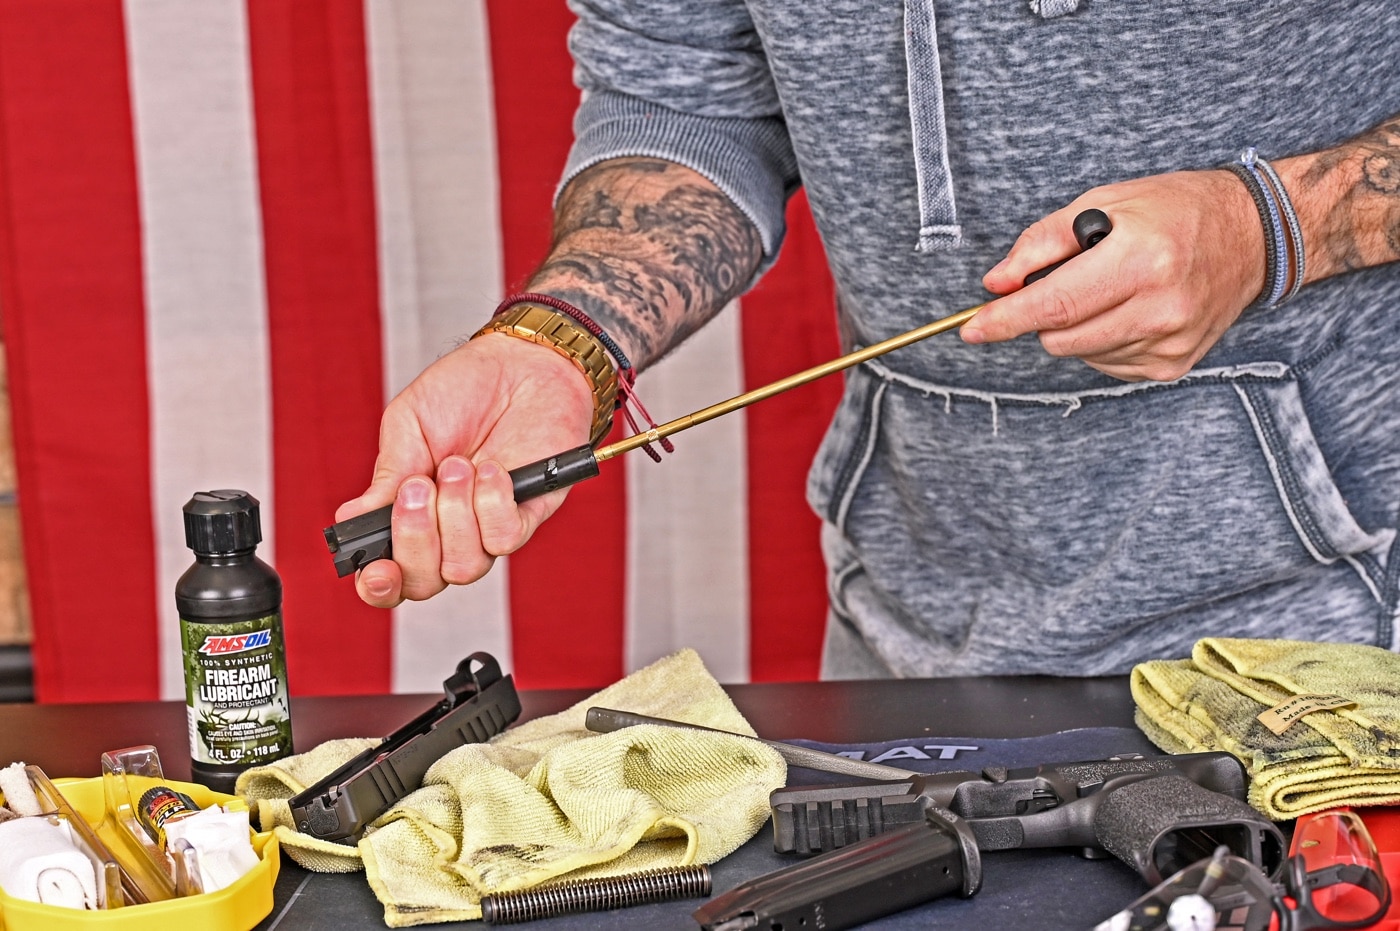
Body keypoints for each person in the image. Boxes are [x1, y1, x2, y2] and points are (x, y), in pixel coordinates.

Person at [336, 1, 1400, 677]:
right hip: (912, 622)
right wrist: (561, 338)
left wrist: (1272, 227)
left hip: (1345, 626)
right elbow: (688, 103)